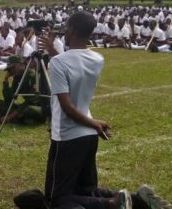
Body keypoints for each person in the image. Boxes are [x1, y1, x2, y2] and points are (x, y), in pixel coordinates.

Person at [43, 11, 127, 208]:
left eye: (66, 28)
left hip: (67, 135)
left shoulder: (58, 62)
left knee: (57, 198)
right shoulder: (97, 59)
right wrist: (53, 53)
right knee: (84, 189)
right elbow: (73, 66)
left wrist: (96, 124)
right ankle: (127, 197)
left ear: (71, 30)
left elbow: (67, 107)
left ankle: (110, 205)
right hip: (88, 135)